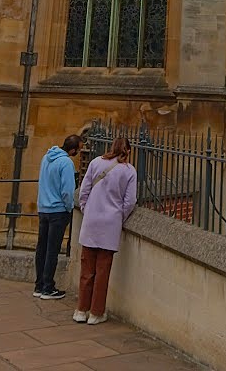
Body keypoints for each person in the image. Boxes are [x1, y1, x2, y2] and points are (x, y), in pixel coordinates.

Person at [74, 136, 137, 325]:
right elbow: (130, 201)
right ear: (128, 151)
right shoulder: (129, 171)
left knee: (87, 269)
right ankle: (96, 313)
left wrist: (86, 208)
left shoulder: (95, 162)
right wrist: (118, 217)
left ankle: (81, 310)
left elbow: (84, 190)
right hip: (110, 223)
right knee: (102, 271)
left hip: (91, 220)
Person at [34, 134, 81, 299]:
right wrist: (69, 208)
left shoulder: (45, 158)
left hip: (43, 208)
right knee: (52, 250)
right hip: (58, 211)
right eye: (78, 149)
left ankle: (39, 285)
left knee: (42, 248)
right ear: (73, 149)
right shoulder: (66, 163)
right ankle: (48, 287)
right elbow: (67, 191)